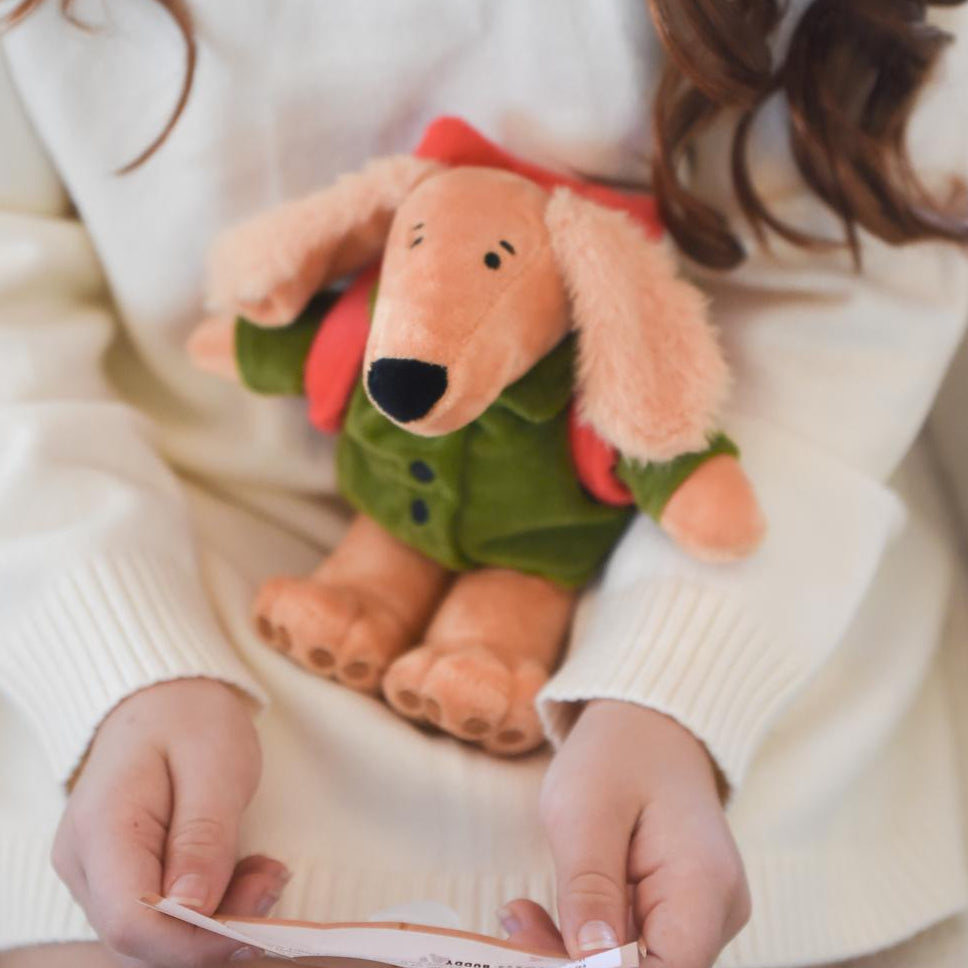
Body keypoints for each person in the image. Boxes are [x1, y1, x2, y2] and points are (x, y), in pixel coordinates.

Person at [0, 2, 966, 967]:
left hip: (727, 583)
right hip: (148, 543)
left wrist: (674, 689)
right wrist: (117, 663)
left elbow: (845, 299)